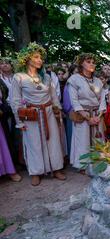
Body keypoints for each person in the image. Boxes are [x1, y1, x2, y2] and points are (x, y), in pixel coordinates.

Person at [11, 42, 66, 186]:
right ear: (27, 59)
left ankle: (56, 169)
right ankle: (36, 172)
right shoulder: (19, 77)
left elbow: (53, 96)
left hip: (48, 112)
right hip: (31, 114)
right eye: (36, 57)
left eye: (41, 57)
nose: (40, 60)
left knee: (53, 141)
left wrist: (57, 111)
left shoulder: (46, 77)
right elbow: (15, 100)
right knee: (34, 143)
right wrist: (19, 121)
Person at [66, 53, 105, 171]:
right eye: (88, 62)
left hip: (97, 114)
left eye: (93, 62)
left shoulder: (98, 81)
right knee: (82, 141)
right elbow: (74, 101)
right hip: (83, 115)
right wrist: (87, 117)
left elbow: (102, 99)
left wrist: (99, 115)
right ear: (81, 63)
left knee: (97, 139)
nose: (92, 64)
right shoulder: (74, 79)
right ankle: (82, 166)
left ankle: (98, 163)